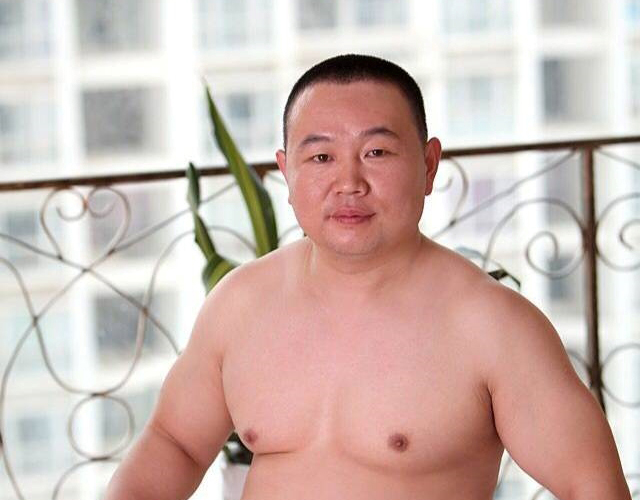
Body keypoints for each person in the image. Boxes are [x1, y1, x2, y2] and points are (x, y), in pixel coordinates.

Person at [104, 54, 632, 500]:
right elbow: (175, 444)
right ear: (286, 173)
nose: (348, 182)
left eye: (376, 152)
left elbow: (592, 487)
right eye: (321, 156)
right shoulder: (240, 302)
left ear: (429, 165)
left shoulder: (491, 324)